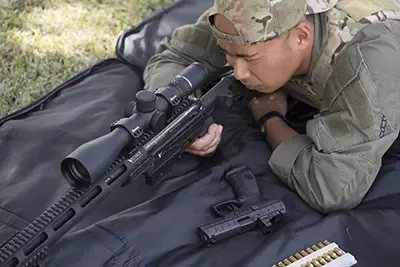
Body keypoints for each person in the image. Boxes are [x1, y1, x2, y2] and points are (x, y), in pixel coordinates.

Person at [142, 0, 400, 213]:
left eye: (248, 58)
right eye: (228, 55)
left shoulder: (366, 57)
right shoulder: (248, 19)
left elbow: (332, 187)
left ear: (301, 36)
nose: (238, 72)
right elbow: (176, 56)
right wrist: (181, 114)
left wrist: (270, 119)